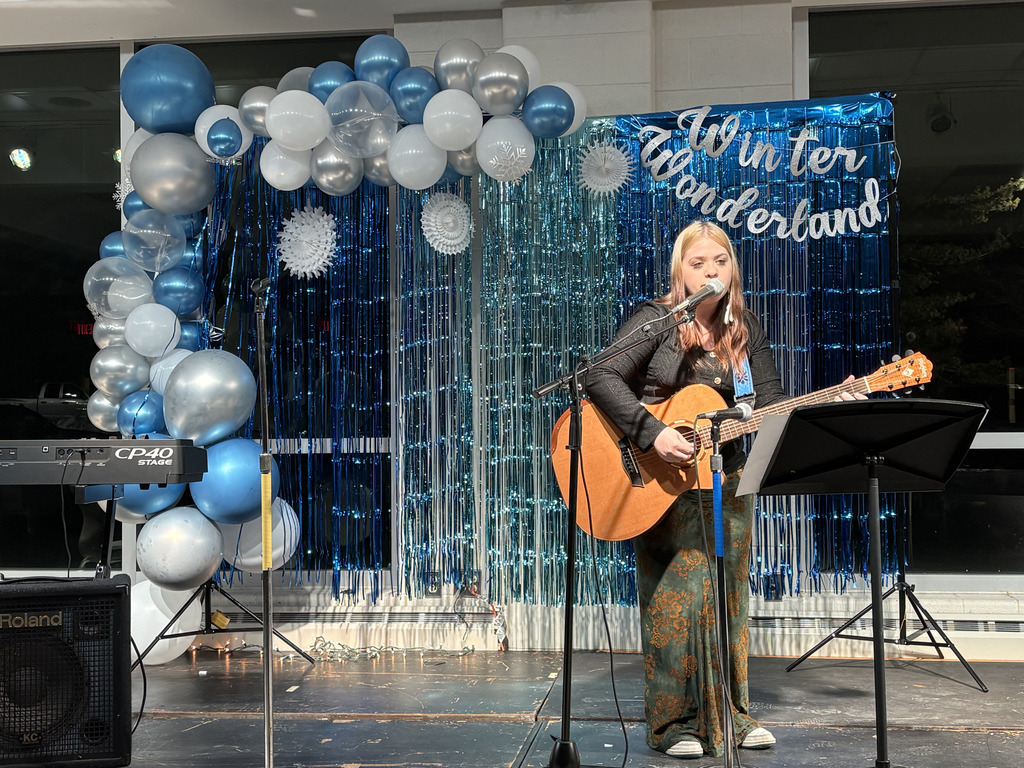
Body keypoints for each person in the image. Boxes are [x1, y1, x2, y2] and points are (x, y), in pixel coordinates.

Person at [586, 220, 832, 759]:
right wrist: (653, 433)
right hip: (660, 480)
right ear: (681, 272)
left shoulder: (744, 329)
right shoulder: (658, 320)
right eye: (697, 263)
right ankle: (674, 724)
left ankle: (733, 717)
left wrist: (806, 408)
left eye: (719, 261)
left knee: (727, 596)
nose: (710, 271)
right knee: (676, 600)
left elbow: (770, 401)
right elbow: (598, 375)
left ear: (733, 269)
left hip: (728, 479)